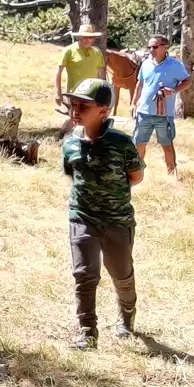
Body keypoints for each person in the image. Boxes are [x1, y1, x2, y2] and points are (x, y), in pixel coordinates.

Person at [60, 78, 143, 350]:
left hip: (117, 220)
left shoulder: (121, 143)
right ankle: (87, 331)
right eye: (74, 104)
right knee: (84, 273)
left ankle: (127, 317)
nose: (76, 109)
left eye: (84, 105)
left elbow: (135, 175)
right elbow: (73, 174)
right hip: (82, 217)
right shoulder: (70, 143)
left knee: (120, 272)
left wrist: (111, 196)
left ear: (103, 111)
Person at [130, 35, 190, 175]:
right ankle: (137, 175)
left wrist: (173, 91)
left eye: (155, 47)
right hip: (144, 113)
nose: (152, 50)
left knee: (167, 145)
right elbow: (139, 84)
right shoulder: (146, 64)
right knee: (138, 144)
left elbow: (188, 81)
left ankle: (171, 175)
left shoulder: (175, 65)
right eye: (150, 47)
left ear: (165, 47)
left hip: (164, 115)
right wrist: (133, 104)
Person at [54, 27, 109, 128]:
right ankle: (65, 137)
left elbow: (101, 74)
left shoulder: (97, 52)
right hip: (75, 94)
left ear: (93, 39)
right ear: (79, 37)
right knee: (75, 118)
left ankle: (84, 140)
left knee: (90, 119)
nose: (87, 40)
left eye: (90, 37)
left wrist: (103, 92)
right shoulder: (69, 51)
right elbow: (58, 72)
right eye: (84, 37)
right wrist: (58, 93)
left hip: (92, 94)